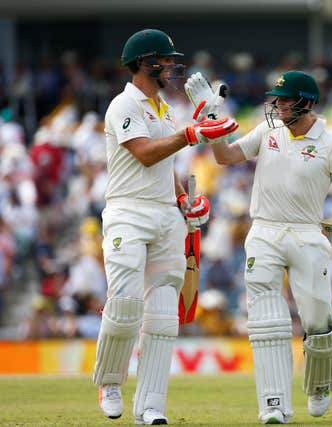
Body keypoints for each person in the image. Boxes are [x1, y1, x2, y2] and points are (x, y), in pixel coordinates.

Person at [185, 70, 332, 424]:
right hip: (264, 231)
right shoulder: (268, 131)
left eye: (284, 99)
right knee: (265, 319)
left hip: (307, 234)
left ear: (306, 103)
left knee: (318, 319)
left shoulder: (331, 146)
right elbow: (226, 157)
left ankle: (320, 384)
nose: (276, 105)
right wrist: (209, 120)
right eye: (276, 99)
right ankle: (273, 403)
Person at [92, 29, 238, 425]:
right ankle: (109, 382)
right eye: (166, 59)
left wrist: (184, 201)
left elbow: (164, 165)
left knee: (162, 316)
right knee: (124, 305)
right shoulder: (123, 105)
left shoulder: (166, 110)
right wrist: (190, 134)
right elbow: (143, 154)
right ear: (144, 62)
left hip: (165, 216)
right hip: (127, 212)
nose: (173, 66)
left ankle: (151, 405)